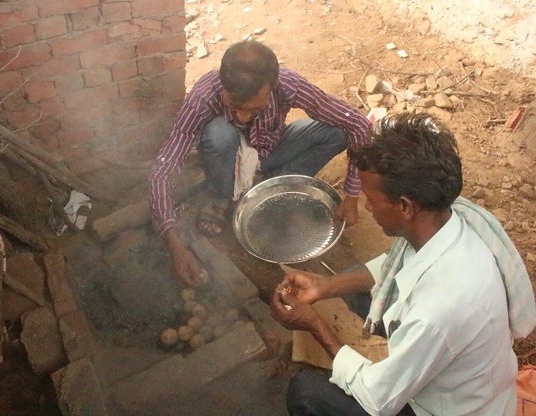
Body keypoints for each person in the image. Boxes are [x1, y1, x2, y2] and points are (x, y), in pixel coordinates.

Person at [271, 113, 536, 416]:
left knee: (306, 393)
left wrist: (314, 324)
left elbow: (378, 399)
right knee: (351, 289)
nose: (367, 207)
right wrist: (324, 285)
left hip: (443, 410)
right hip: (462, 375)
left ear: (405, 207)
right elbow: (394, 267)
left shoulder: (438, 311)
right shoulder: (448, 220)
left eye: (371, 199)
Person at [149, 40, 370, 287]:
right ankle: (221, 196)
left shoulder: (288, 84)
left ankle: (273, 183)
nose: (243, 116)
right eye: (235, 107)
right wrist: (174, 241)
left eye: (254, 109)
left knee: (336, 132)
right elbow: (163, 171)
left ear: (273, 86)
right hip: (227, 157)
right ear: (223, 85)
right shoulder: (204, 96)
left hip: (271, 151)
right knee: (219, 132)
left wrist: (351, 196)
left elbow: (358, 124)